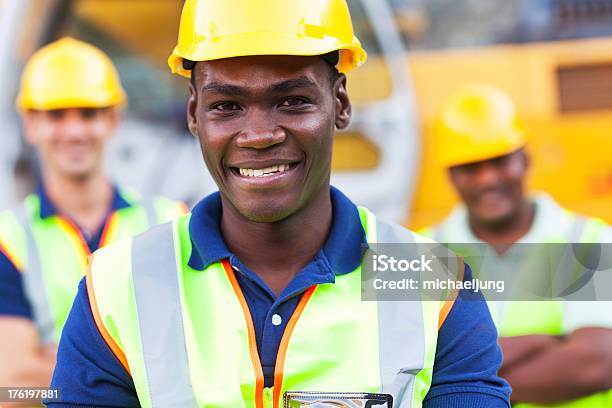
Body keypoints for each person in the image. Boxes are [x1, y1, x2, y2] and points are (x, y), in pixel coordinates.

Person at [48, 2, 511, 407]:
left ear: (341, 103)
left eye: (292, 101)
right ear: (194, 114)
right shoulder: (114, 289)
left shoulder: (437, 286)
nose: (259, 134)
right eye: (226, 106)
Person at [0, 37, 187, 392]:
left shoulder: (172, 222)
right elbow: (11, 385)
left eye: (88, 114)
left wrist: (56, 364)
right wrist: (141, 362)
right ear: (31, 125)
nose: (74, 131)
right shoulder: (8, 240)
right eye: (56, 115)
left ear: (113, 120)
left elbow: (198, 353)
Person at [422, 84, 612, 407]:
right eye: (470, 167)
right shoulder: (418, 253)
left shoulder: (590, 240)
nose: (488, 179)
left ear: (526, 159)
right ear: (451, 175)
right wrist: (546, 342)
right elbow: (401, 372)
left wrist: (460, 377)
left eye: (499, 161)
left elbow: (597, 364)